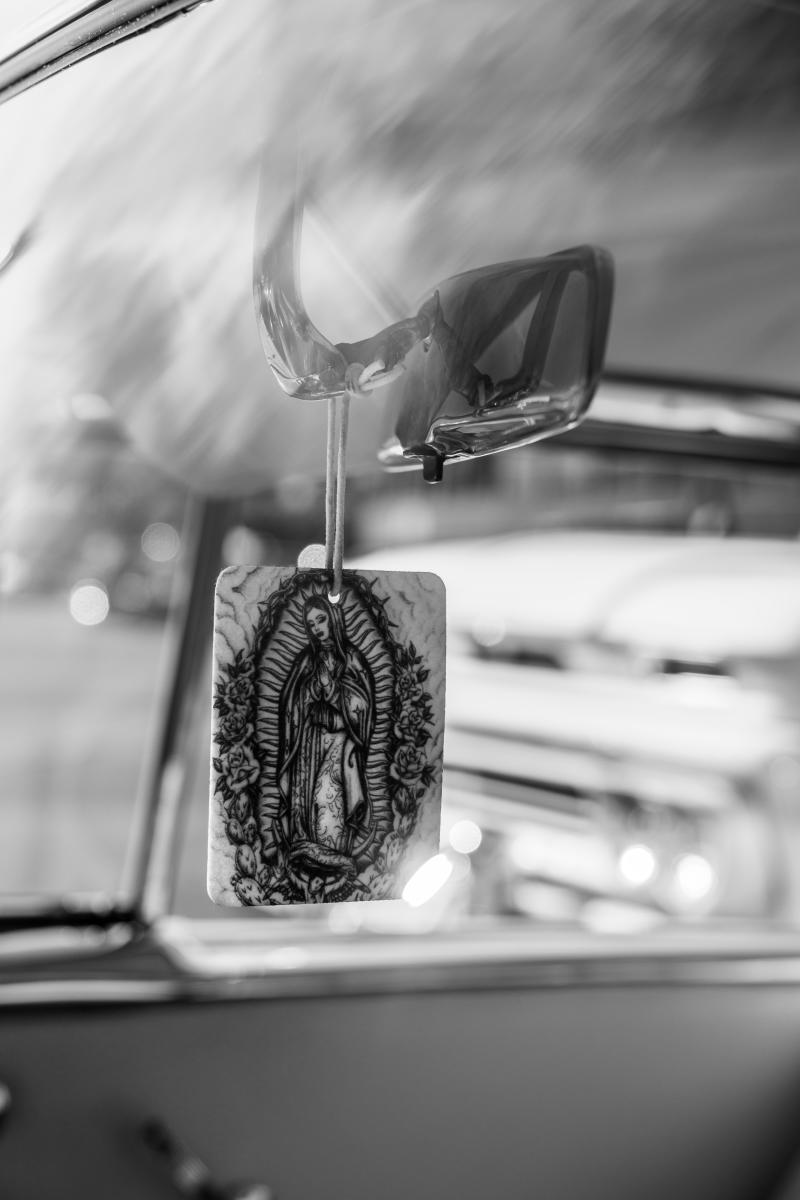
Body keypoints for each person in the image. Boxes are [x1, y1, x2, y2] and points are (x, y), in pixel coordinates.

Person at [275, 594, 376, 879]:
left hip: (341, 744)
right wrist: (308, 701)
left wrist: (335, 714)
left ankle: (334, 852)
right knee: (305, 798)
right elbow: (292, 702)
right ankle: (308, 849)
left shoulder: (352, 659)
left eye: (321, 620)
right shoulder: (308, 661)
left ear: (333, 619)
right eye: (311, 625)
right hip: (309, 743)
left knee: (327, 794)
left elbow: (364, 705)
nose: (317, 628)